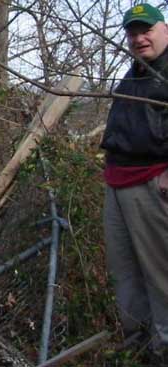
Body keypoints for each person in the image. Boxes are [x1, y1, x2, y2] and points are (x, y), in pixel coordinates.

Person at [100, 3, 168, 359]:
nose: (139, 38)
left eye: (146, 29)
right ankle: (137, 351)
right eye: (132, 32)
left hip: (151, 185)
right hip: (119, 183)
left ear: (165, 29)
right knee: (126, 275)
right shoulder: (137, 72)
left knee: (160, 278)